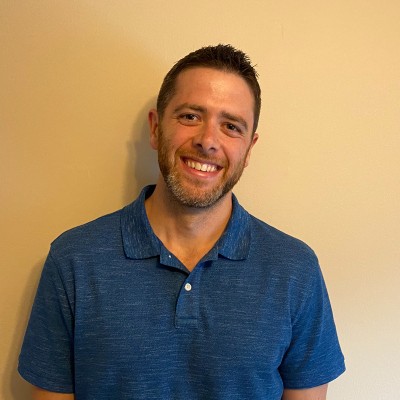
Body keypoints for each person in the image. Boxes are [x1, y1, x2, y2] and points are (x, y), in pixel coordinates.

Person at [19, 44, 345, 400]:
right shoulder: (74, 261)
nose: (208, 141)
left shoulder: (295, 270)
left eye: (231, 126)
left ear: (249, 149)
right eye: (190, 116)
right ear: (156, 128)